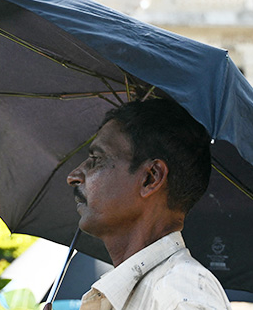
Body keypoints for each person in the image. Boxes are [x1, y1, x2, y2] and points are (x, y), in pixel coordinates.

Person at [65, 99, 231, 310]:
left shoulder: (180, 295)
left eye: (97, 158)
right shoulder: (150, 292)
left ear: (150, 178)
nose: (73, 176)